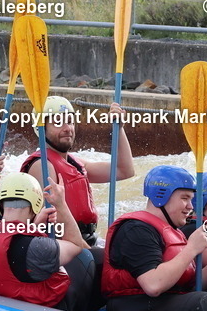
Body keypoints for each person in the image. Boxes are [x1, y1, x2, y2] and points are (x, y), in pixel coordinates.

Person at [101, 165, 207, 311]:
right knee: (201, 301)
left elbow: (191, 287)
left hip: (165, 303)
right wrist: (191, 249)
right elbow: (153, 285)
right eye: (184, 198)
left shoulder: (174, 231)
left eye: (191, 199)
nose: (190, 206)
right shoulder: (136, 229)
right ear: (161, 196)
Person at [0, 172, 97, 311]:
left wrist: (33, 227)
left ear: (1, 203)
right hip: (32, 308)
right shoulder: (37, 248)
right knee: (85, 257)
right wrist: (61, 204)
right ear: (36, 206)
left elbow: (8, 240)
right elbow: (75, 244)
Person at [23, 96, 134, 247]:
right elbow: (53, 227)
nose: (67, 128)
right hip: (66, 246)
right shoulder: (42, 165)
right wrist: (89, 253)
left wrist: (119, 129)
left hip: (87, 239)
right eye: (58, 122)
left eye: (70, 121)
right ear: (41, 128)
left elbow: (124, 170)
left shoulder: (75, 163)